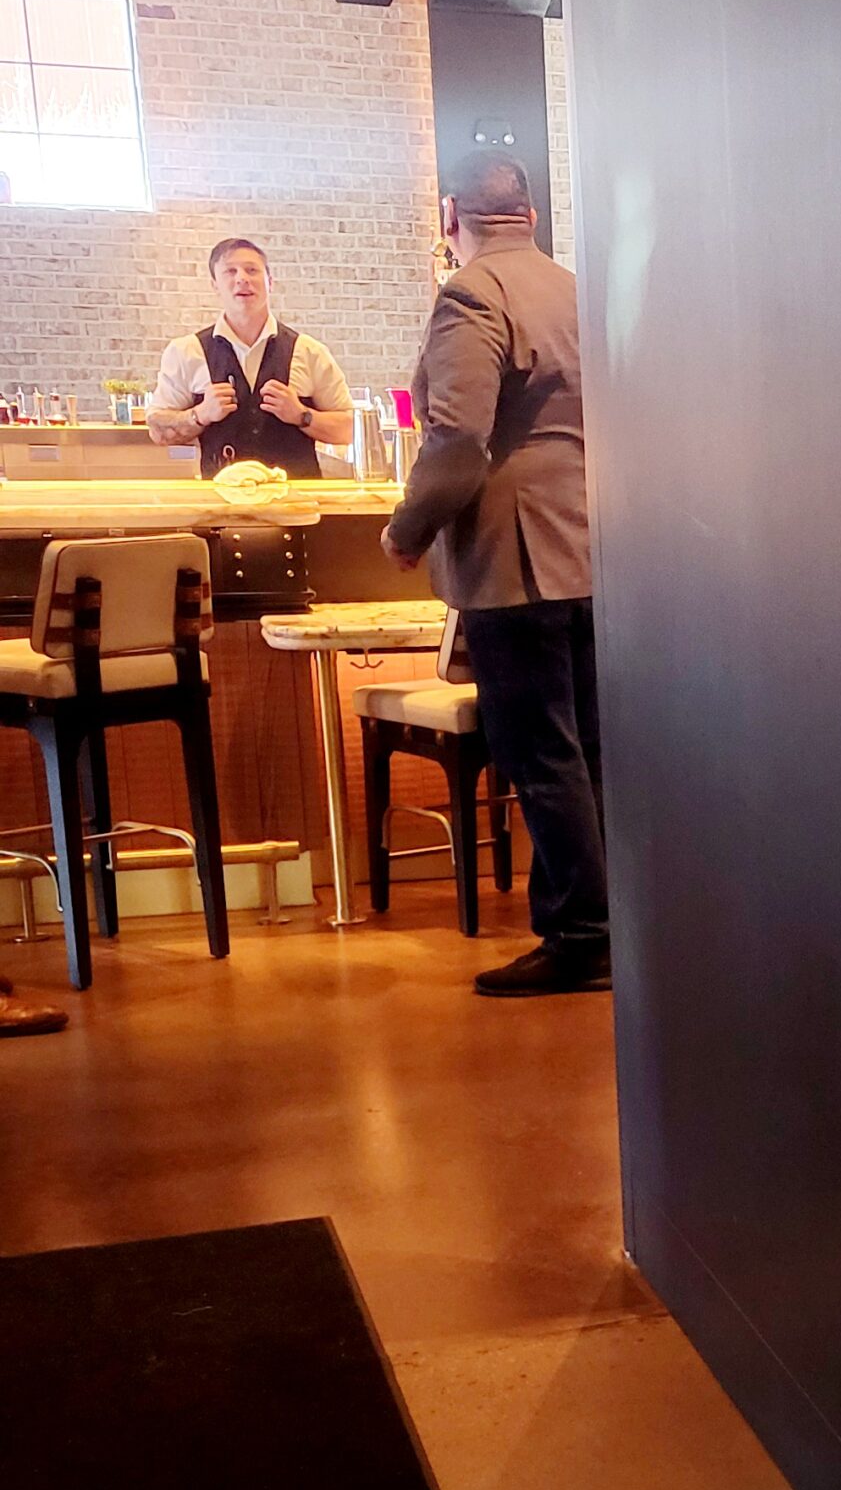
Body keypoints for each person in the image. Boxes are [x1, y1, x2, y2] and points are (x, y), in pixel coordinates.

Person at [382, 152, 606, 997]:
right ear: (532, 216)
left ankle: (582, 938)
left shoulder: (473, 294)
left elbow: (456, 439)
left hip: (517, 560)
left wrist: (411, 528)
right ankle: (612, 928)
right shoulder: (578, 291)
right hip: (595, 548)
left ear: (451, 217)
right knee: (590, 750)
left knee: (542, 753)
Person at [146, 238, 355, 476]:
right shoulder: (185, 352)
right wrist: (200, 414)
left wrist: (302, 415)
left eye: (252, 270)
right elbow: (157, 430)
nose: (242, 278)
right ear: (215, 284)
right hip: (221, 504)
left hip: (298, 505)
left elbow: (351, 430)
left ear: (270, 282)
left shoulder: (309, 352)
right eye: (230, 271)